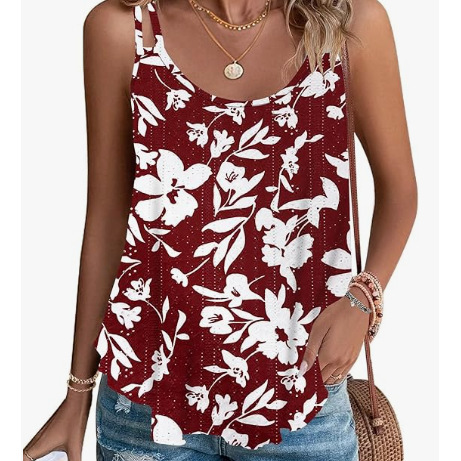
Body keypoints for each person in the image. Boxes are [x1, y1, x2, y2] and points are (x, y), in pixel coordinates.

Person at [23, 0, 417, 460]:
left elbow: (400, 191)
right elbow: (108, 217)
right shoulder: (123, 31)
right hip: (145, 400)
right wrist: (78, 390)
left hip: (302, 392)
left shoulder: (349, 23)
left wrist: (362, 300)